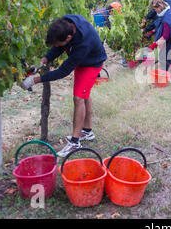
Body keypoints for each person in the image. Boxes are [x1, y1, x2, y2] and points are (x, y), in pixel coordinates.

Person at [20, 14, 107, 157]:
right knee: (84, 95)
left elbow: (63, 71)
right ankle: (87, 131)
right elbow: (58, 47)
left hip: (92, 63)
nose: (56, 46)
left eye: (59, 43)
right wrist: (43, 61)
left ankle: (75, 142)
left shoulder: (83, 43)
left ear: (68, 38)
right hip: (82, 60)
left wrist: (35, 80)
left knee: (79, 97)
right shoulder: (66, 23)